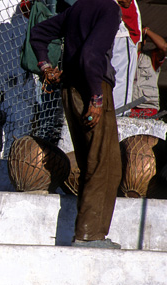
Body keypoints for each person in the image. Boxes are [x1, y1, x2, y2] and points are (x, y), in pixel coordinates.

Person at [30, 0, 123, 248]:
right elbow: (91, 54)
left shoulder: (77, 9)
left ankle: (89, 234)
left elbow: (38, 33)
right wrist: (96, 97)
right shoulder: (109, 9)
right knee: (105, 164)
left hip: (70, 91)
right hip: (92, 88)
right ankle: (89, 236)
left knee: (90, 162)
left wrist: (45, 66)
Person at [111, 0, 142, 111]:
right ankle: (119, 114)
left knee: (110, 78)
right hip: (123, 35)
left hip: (115, 33)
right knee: (121, 80)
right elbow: (126, 2)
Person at [130, 27, 167, 119]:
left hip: (148, 109)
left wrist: (146, 31)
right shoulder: (123, 59)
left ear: (144, 41)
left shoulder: (149, 57)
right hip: (127, 109)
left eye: (139, 38)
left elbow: (164, 48)